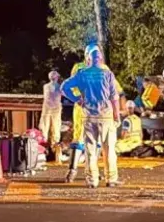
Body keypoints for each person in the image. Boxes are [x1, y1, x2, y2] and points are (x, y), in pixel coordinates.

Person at [61, 44, 122, 188]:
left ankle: (92, 180)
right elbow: (115, 97)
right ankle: (111, 179)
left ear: (88, 57)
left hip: (88, 115)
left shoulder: (81, 72)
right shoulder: (107, 73)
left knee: (90, 149)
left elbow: (64, 87)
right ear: (100, 58)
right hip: (106, 116)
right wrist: (117, 115)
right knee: (109, 148)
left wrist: (76, 99)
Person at [39, 70, 64, 150]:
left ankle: (44, 145)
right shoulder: (60, 87)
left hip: (48, 108)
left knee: (45, 126)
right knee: (55, 127)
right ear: (57, 78)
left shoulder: (46, 86)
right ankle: (54, 147)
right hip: (54, 108)